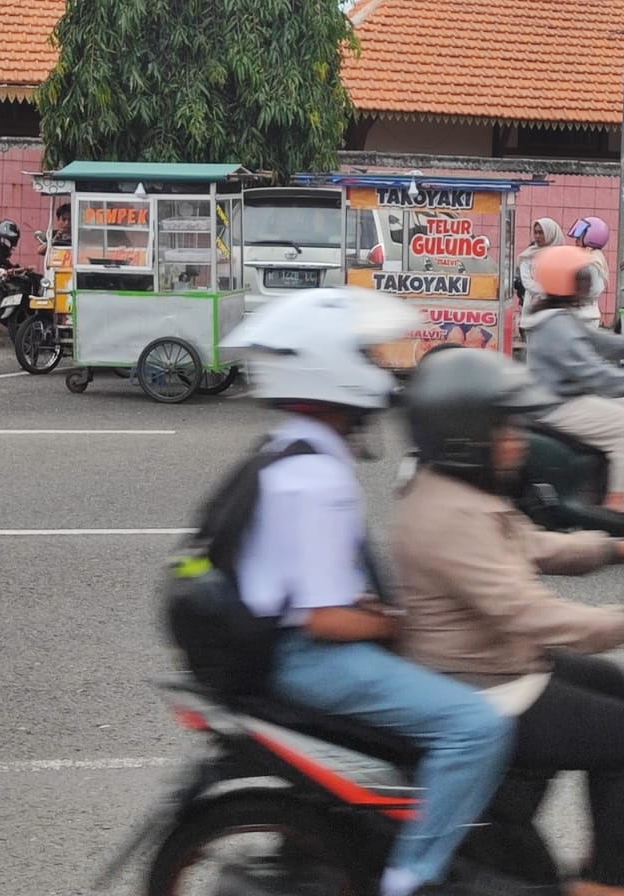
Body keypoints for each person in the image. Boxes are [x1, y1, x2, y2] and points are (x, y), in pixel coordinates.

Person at [221, 288, 515, 896]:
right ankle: (413, 877)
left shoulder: (291, 446)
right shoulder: (317, 474)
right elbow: (325, 619)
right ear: (331, 366)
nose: (379, 366)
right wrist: (396, 624)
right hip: (306, 660)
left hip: (278, 640)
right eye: (365, 354)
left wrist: (380, 615)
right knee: (476, 727)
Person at [391, 348, 624, 896]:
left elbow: (530, 544)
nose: (518, 437)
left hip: (487, 659)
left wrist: (618, 548)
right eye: (505, 426)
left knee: (611, 683)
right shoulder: (451, 515)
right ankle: (605, 883)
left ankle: (514, 805)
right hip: (485, 683)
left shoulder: (454, 490)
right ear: (466, 434)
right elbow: (529, 613)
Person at [521, 244, 624, 511]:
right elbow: (592, 372)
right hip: (557, 404)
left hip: (563, 396)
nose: (587, 283)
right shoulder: (556, 325)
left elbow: (598, 341)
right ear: (565, 281)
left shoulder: (558, 316)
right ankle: (618, 500)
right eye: (582, 278)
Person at [515, 217, 565, 316]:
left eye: (541, 233)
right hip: (534, 305)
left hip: (557, 308)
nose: (537, 236)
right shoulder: (529, 255)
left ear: (550, 234)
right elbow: (527, 282)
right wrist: (547, 293)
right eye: (536, 232)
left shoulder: (561, 255)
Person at [568, 216, 611, 326]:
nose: (576, 242)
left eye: (579, 238)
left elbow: (591, 290)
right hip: (585, 314)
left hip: (585, 316)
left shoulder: (591, 261)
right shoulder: (593, 258)